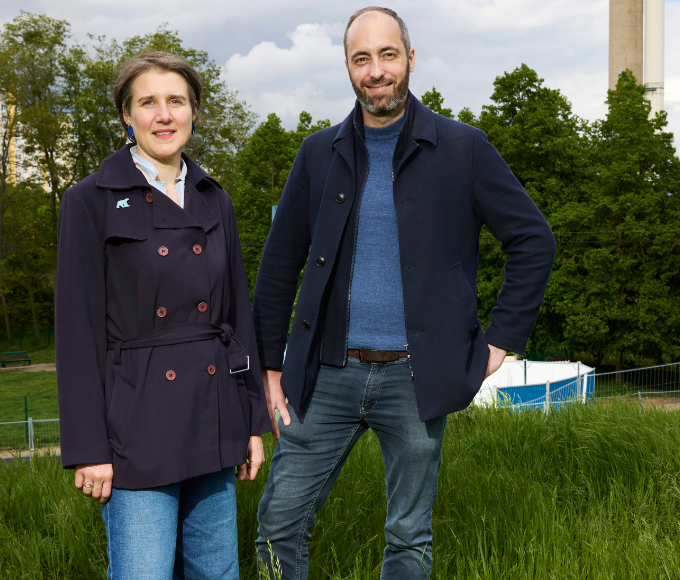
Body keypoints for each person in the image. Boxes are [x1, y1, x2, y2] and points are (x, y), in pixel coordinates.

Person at [252, 6, 556, 578]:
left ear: (410, 59)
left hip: (417, 380)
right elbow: (277, 267)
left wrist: (499, 342)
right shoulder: (318, 154)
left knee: (408, 539)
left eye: (387, 55)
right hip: (323, 374)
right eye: (361, 58)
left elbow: (533, 241)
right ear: (347, 67)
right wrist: (270, 366)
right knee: (278, 527)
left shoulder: (462, 147)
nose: (376, 71)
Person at [55, 51, 271, 580]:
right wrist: (88, 449)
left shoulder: (214, 199)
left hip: (214, 415)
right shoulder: (89, 200)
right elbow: (76, 335)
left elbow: (237, 317)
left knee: (217, 574)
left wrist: (251, 423)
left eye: (176, 101)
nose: (164, 115)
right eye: (147, 102)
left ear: (194, 112)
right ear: (126, 116)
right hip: (136, 429)